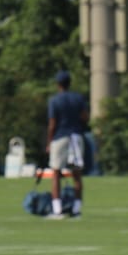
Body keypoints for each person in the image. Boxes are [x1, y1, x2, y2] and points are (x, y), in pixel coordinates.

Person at [46, 70, 89, 219]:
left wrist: (49, 141)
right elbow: (85, 116)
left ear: (58, 84)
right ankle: (76, 209)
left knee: (56, 173)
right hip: (76, 137)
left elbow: (52, 123)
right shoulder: (78, 98)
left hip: (60, 137)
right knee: (77, 175)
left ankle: (57, 209)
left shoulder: (54, 100)